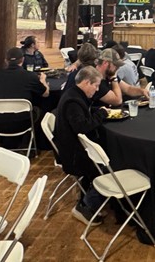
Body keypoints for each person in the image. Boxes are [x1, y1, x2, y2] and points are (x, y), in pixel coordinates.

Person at [54, 66, 109, 225]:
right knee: (106, 167)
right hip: (73, 156)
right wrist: (101, 114)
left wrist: (97, 111)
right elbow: (82, 127)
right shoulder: (73, 101)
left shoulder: (73, 94)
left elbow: (82, 116)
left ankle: (90, 200)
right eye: (96, 85)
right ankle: (85, 206)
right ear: (86, 82)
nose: (97, 90)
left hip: (70, 148)